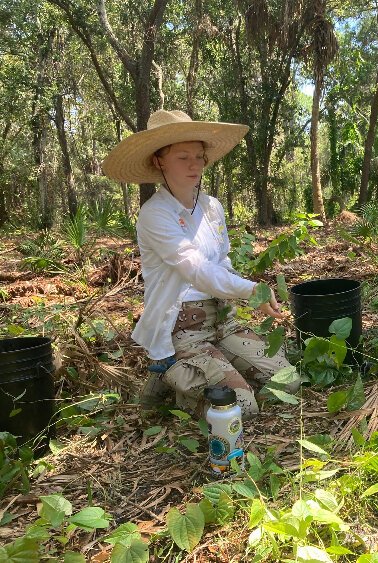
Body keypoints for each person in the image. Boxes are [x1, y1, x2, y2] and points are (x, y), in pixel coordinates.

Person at [103, 109, 299, 420]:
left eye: (199, 155)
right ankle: (174, 373)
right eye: (183, 157)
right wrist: (253, 291)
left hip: (223, 319)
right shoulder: (156, 214)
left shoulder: (212, 207)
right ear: (159, 161)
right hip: (184, 328)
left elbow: (220, 262)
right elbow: (195, 269)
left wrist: (245, 292)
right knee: (241, 407)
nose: (195, 164)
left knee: (288, 383)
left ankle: (212, 372)